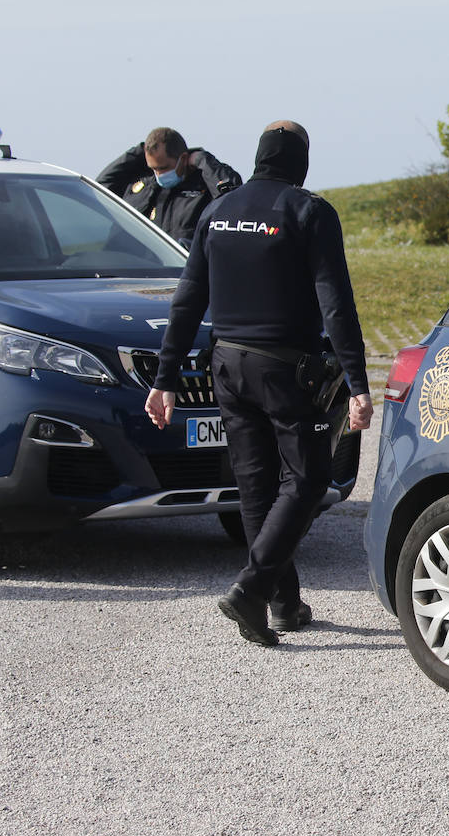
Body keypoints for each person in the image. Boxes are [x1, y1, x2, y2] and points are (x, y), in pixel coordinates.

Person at [144, 120, 373, 647]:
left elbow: (187, 299)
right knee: (311, 477)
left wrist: (167, 377)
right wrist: (357, 381)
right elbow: (335, 302)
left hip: (225, 365)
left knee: (255, 485)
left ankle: (283, 602)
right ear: (301, 160)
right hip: (283, 369)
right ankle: (251, 589)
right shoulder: (309, 211)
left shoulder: (217, 211)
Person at [97, 127, 242, 245]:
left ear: (183, 158)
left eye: (164, 167)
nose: (159, 174)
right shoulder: (145, 184)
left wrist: (202, 160)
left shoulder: (203, 185)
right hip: (136, 271)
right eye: (154, 168)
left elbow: (232, 196)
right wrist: (140, 151)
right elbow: (101, 188)